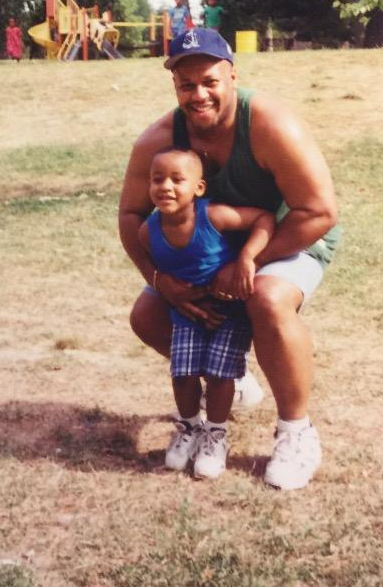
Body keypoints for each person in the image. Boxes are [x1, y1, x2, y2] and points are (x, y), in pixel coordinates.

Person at [119, 27, 341, 490]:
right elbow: (130, 215)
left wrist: (246, 265)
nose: (198, 95)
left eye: (210, 82)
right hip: (213, 251)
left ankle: (297, 432)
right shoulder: (159, 140)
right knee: (147, 314)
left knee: (267, 299)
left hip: (288, 235)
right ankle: (230, 377)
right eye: (186, 85)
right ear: (175, 86)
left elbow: (318, 212)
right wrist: (159, 279)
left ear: (233, 78)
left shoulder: (270, 125)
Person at [139, 147, 275, 479]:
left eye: (177, 180)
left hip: (230, 310)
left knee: (219, 376)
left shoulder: (213, 215)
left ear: (199, 187)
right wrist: (174, 295)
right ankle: (189, 427)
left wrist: (247, 258)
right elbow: (161, 272)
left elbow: (264, 219)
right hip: (187, 313)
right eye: (157, 179)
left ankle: (216, 434)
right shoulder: (148, 232)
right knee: (182, 373)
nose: (166, 187)